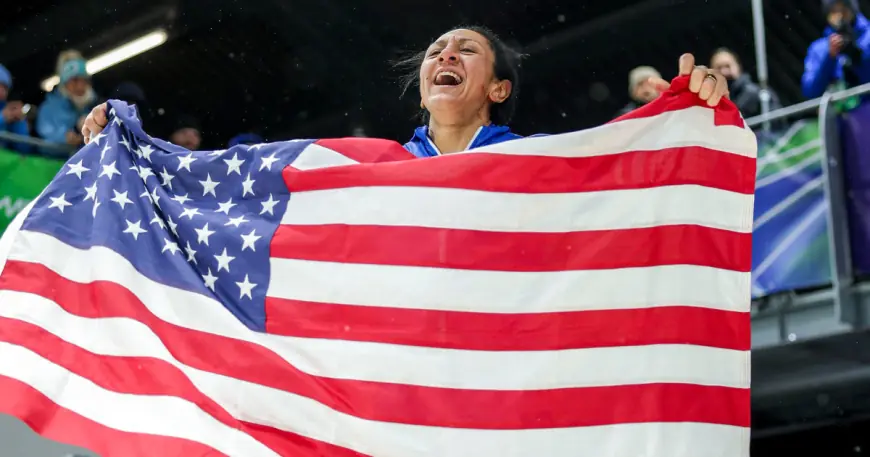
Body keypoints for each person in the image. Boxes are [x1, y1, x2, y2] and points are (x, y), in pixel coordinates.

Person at [82, 26, 729, 156]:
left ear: (497, 88)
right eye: (435, 51)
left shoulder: (537, 167)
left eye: (466, 49)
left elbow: (629, 176)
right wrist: (131, 140)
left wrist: (700, 115)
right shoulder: (372, 175)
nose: (445, 54)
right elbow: (234, 179)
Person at [802, 0, 870, 99]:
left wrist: (857, 56)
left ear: (852, 9)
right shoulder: (818, 49)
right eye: (833, 11)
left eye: (843, 9)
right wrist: (829, 58)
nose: (840, 16)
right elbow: (810, 92)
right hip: (840, 112)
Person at [36, 50, 99, 152]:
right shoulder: (48, 110)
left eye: (84, 80)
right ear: (64, 83)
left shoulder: (97, 107)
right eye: (74, 80)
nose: (80, 86)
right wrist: (65, 139)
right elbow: (43, 148)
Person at [710, 47, 783, 119]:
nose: (724, 71)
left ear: (738, 66)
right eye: (719, 68)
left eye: (727, 66)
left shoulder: (756, 92)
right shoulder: (710, 99)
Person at [0, 63, 33, 153]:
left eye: (5, 88)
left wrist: (20, 121)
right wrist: (2, 118)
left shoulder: (6, 109)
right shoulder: (4, 113)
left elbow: (23, 150)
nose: (2, 92)